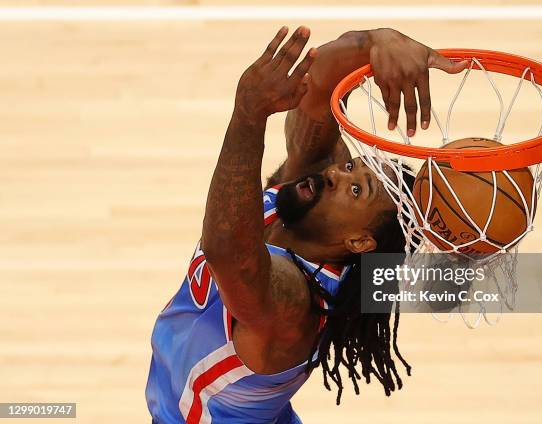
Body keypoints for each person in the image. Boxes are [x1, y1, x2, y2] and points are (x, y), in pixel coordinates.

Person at [146, 26, 468, 424]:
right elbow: (318, 86)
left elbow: (228, 251)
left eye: (356, 191)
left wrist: (249, 115)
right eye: (351, 167)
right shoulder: (309, 201)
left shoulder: (297, 306)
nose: (336, 173)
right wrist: (377, 42)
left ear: (359, 241)